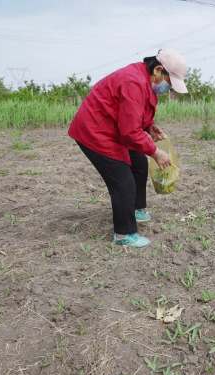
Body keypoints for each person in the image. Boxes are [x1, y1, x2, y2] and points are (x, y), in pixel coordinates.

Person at [68, 48, 188, 248]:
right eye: (170, 84)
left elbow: (133, 115)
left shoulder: (144, 81)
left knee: (139, 163)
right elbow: (130, 132)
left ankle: (137, 210)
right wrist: (156, 152)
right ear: (158, 70)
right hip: (95, 132)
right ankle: (124, 234)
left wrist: (149, 127)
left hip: (114, 129)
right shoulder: (133, 82)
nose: (170, 90)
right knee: (123, 182)